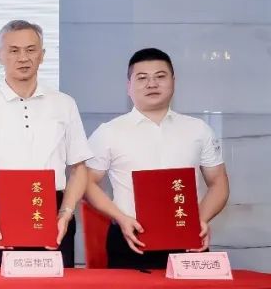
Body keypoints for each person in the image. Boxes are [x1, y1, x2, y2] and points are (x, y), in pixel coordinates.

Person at [0, 20, 91, 268]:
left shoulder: (64, 104)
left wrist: (66, 213)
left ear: (42, 55)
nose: (23, 58)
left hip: (53, 219)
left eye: (31, 49)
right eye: (14, 50)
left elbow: (79, 168)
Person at [85, 48, 229, 269]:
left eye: (160, 76)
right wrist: (121, 218)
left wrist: (199, 220)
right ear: (129, 86)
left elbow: (218, 182)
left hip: (187, 238)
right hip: (130, 238)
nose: (152, 84)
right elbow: (86, 183)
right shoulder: (108, 132)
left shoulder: (198, 129)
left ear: (174, 81)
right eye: (142, 78)